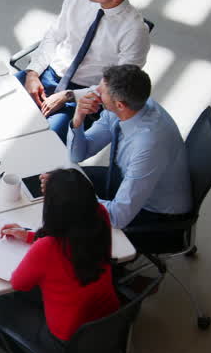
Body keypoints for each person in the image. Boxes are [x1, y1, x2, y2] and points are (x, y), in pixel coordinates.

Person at [18, 0, 150, 142]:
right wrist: (32, 73)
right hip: (48, 73)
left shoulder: (135, 32)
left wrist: (68, 95)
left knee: (44, 142)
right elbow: (54, 35)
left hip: (83, 94)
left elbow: (118, 86)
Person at [0, 169, 120, 353]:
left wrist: (37, 242)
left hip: (62, 347)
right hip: (108, 325)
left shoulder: (47, 248)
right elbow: (73, 234)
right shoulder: (101, 215)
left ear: (52, 211)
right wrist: (30, 235)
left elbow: (19, 283)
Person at [69, 64, 192, 233]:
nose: (95, 91)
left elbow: (117, 217)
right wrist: (78, 119)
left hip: (154, 213)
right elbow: (78, 154)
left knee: (70, 219)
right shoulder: (132, 104)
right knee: (66, 178)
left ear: (120, 105)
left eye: (101, 91)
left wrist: (73, 196)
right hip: (128, 182)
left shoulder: (148, 146)